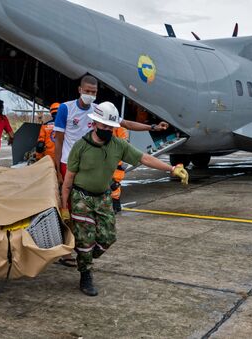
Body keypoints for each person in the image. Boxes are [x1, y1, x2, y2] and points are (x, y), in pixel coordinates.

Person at [61, 102, 189, 296]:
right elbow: (68, 179)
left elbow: (144, 158)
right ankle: (85, 273)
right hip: (81, 198)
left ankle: (83, 256)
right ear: (94, 124)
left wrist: (171, 168)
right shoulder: (81, 146)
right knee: (85, 239)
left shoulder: (118, 145)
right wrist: (64, 206)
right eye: (104, 126)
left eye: (110, 127)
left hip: (103, 197)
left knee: (108, 237)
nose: (107, 130)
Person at [53, 75, 168, 267]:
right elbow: (58, 141)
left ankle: (82, 249)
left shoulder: (98, 110)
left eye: (94, 92)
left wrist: (152, 127)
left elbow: (126, 124)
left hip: (91, 162)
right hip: (68, 162)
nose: (90, 95)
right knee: (68, 209)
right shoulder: (66, 108)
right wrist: (57, 169)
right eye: (87, 91)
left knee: (85, 215)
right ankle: (66, 251)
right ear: (80, 90)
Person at [110, 126, 128, 213]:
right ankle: (115, 206)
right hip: (115, 162)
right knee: (114, 185)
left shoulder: (118, 127)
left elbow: (123, 143)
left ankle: (115, 206)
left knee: (114, 184)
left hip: (116, 162)